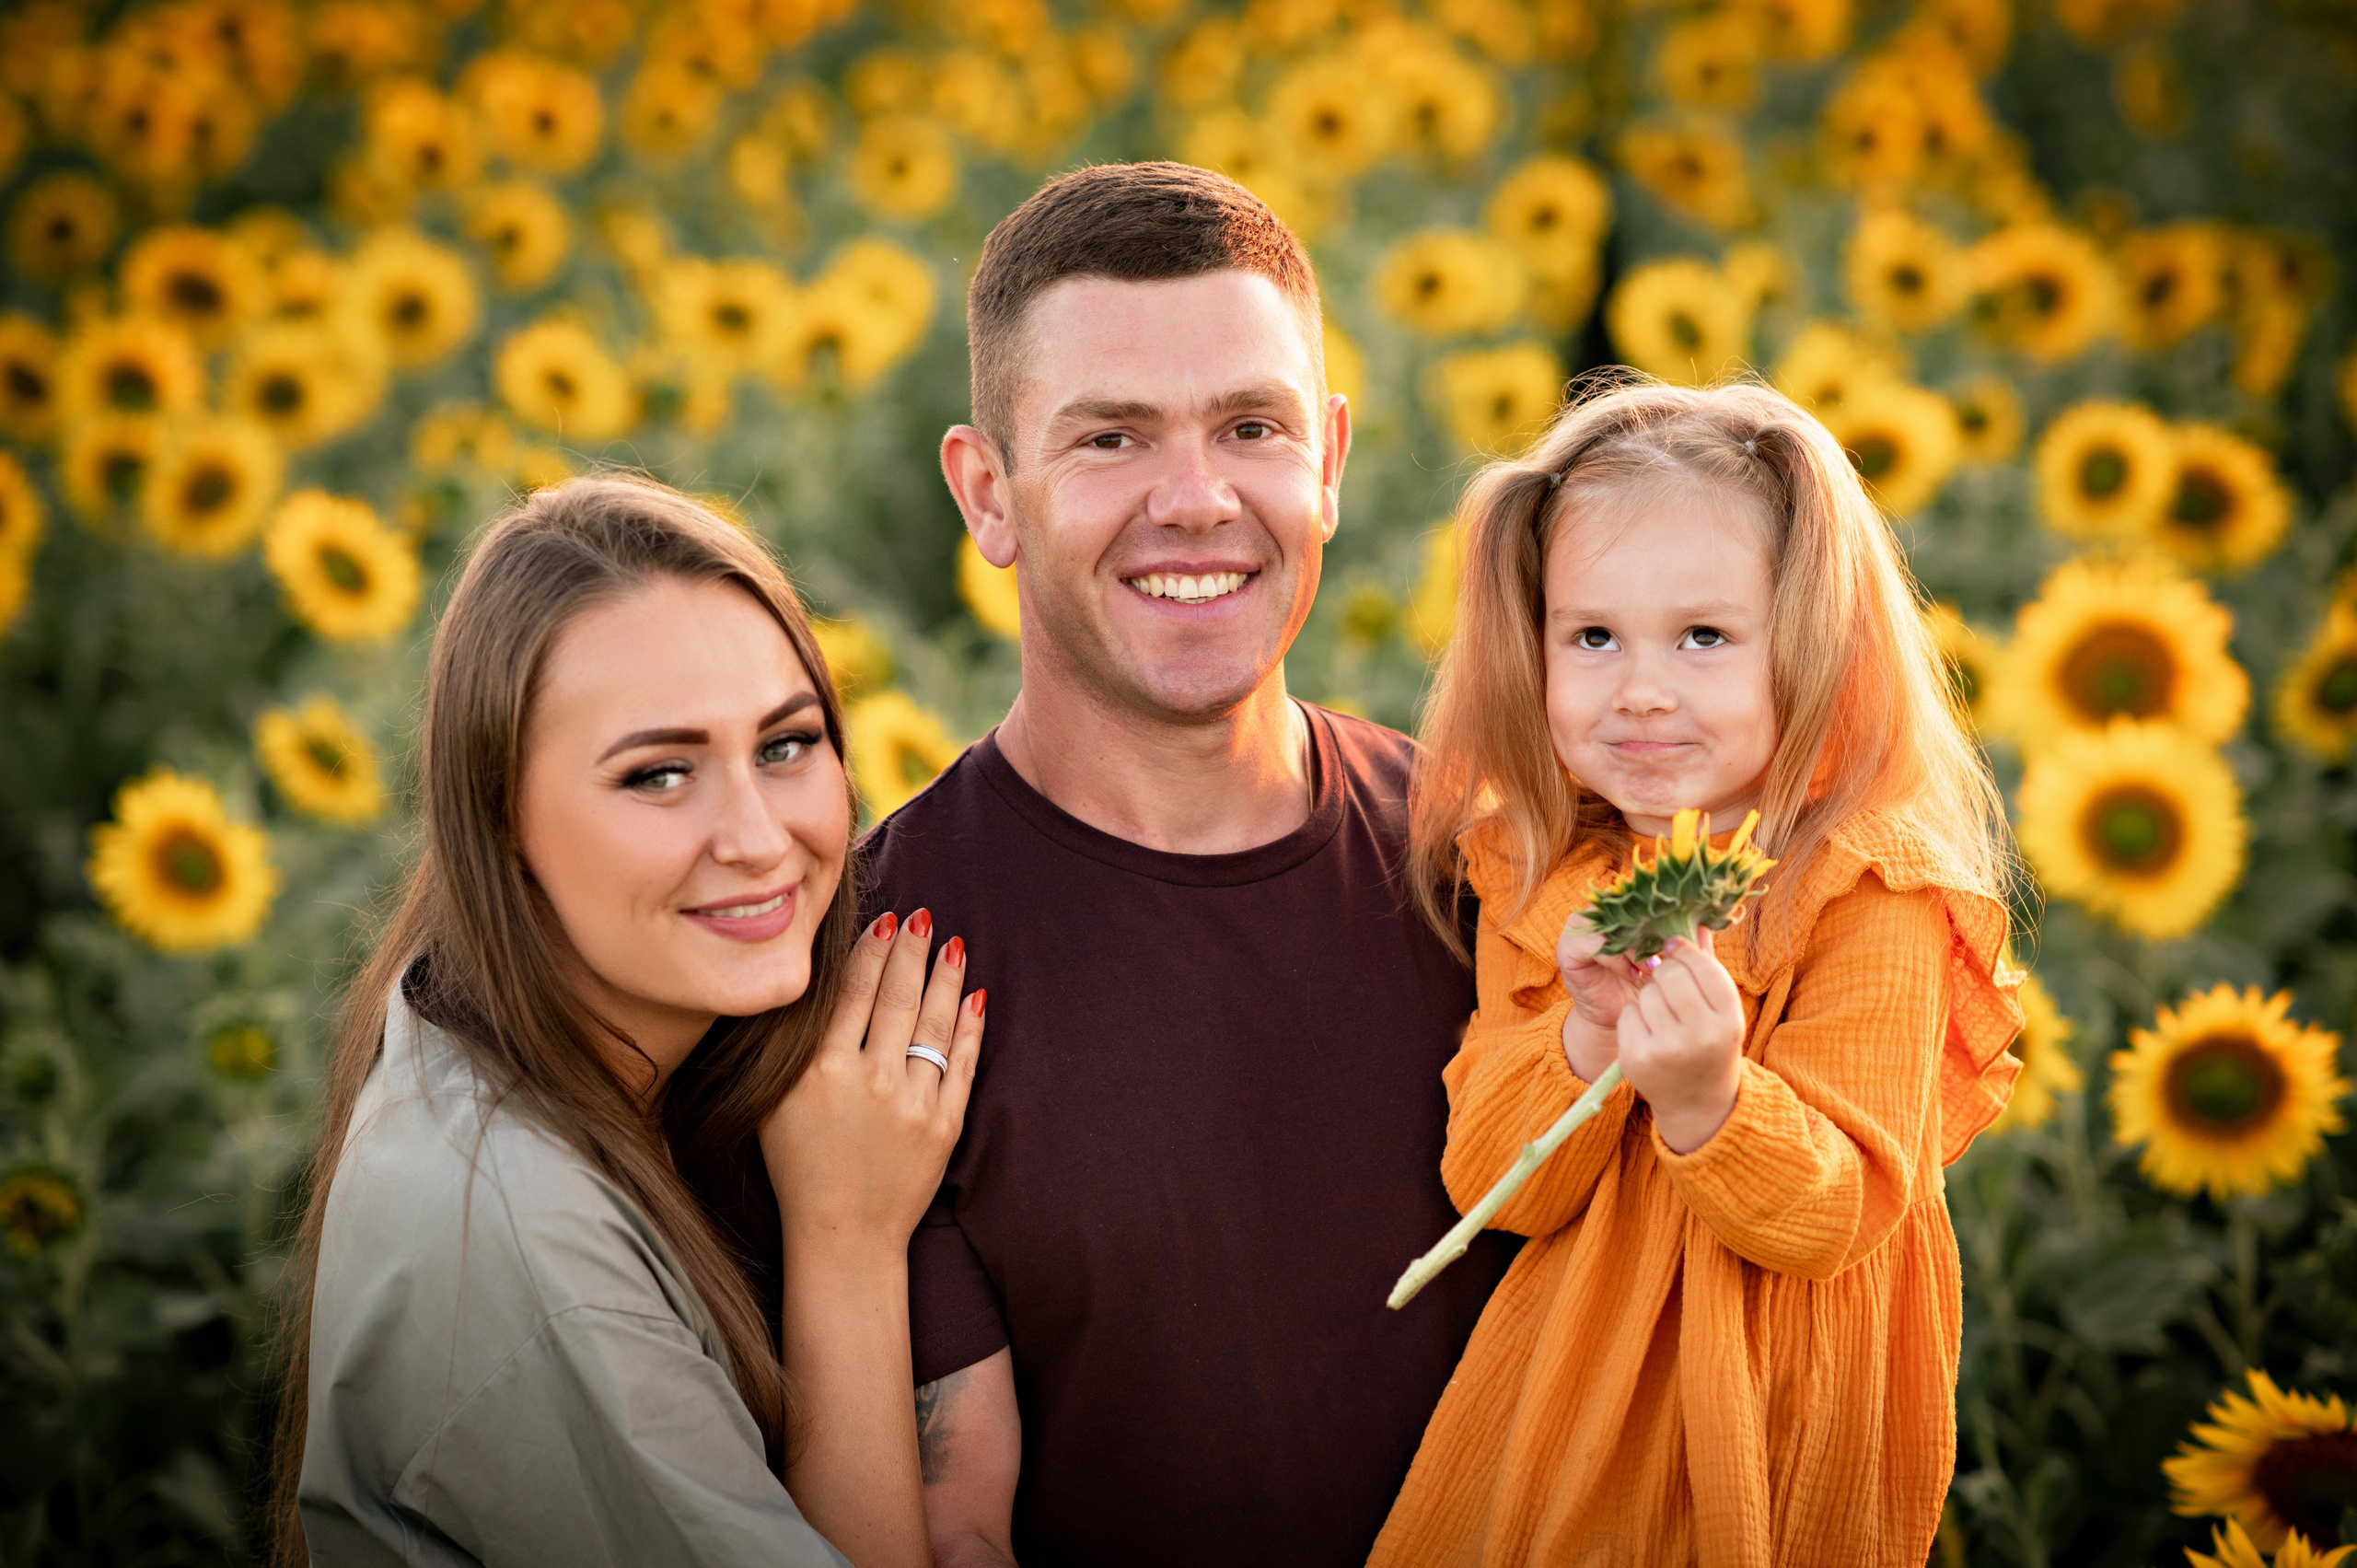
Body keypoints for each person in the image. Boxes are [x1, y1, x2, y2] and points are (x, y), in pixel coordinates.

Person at [864, 163, 1516, 1567]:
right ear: (989, 495)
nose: (1199, 497)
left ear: (1329, 462)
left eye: (1251, 426)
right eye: (1110, 438)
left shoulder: (1496, 868)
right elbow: (949, 1527)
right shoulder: (882, 966)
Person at [1367, 377, 2026, 1566]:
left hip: (1773, 1406)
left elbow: (1837, 1210)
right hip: (1570, 1401)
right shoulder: (1550, 876)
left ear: (1814, 644)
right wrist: (1583, 1032)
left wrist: (1706, 1096)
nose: (1644, 688)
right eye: (1594, 635)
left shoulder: (1870, 890)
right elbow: (1498, 1183)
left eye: (1705, 636)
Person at [271, 477, 985, 1568]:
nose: (755, 836)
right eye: (658, 773)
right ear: (499, 817)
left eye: (786, 744)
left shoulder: (490, 1036)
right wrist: (847, 1241)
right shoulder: (513, 1230)